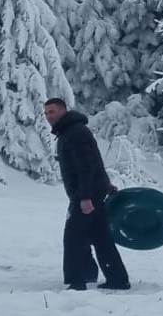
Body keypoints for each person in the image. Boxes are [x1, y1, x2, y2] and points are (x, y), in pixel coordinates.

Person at [44, 98, 130, 291]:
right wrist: (105, 185)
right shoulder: (71, 131)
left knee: (73, 237)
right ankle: (117, 279)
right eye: (46, 113)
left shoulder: (75, 132)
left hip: (86, 194)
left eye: (52, 112)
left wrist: (84, 197)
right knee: (100, 236)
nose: (48, 116)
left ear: (63, 111)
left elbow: (87, 166)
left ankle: (77, 281)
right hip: (92, 191)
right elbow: (93, 161)